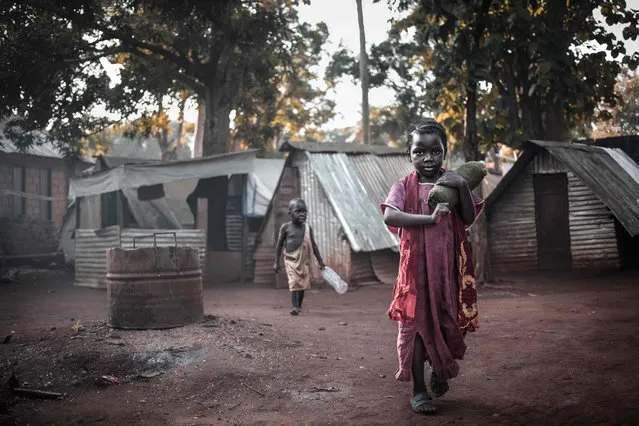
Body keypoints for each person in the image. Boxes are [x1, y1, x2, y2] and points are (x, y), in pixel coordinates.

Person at [381, 119, 483, 414]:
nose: (428, 158)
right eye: (420, 152)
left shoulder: (453, 182)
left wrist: (462, 185)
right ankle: (419, 390)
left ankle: (440, 369)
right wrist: (428, 219)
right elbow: (390, 217)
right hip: (415, 274)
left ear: (444, 152)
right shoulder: (402, 187)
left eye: (435, 152)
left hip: (449, 272)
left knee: (449, 321)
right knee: (416, 329)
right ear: (409, 155)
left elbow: (467, 217)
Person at [274, 198, 326, 315]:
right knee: (294, 283)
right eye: (298, 211)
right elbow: (279, 245)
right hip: (291, 261)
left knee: (302, 284)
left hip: (304, 262)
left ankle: (299, 305)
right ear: (290, 213)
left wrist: (320, 261)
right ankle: (295, 307)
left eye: (304, 212)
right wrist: (276, 262)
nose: (302, 214)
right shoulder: (286, 227)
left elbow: (314, 245)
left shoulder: (307, 228)